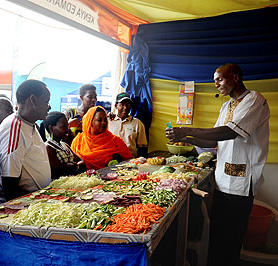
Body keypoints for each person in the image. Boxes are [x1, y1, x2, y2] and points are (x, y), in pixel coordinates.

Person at [166, 63, 270, 266]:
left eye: (220, 79)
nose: (216, 85)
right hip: (222, 181)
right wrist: (185, 138)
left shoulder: (254, 100)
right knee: (217, 238)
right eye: (215, 81)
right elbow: (215, 141)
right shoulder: (225, 106)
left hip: (241, 184)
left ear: (236, 77)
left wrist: (188, 130)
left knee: (229, 242)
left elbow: (230, 132)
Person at [0, 79, 52, 202]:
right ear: (33, 100)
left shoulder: (30, 124)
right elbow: (9, 182)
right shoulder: (14, 127)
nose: (49, 106)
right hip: (21, 204)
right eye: (46, 101)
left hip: (35, 199)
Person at [39, 111, 86, 179]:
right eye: (63, 127)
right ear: (51, 128)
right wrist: (76, 166)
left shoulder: (64, 145)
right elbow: (59, 170)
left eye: (67, 126)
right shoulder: (48, 147)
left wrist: (73, 166)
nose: (67, 130)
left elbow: (82, 162)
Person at [108, 92, 148, 158]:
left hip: (130, 161)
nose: (125, 107)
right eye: (122, 104)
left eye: (128, 104)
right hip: (110, 161)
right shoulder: (108, 121)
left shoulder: (137, 123)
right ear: (116, 106)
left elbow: (142, 148)